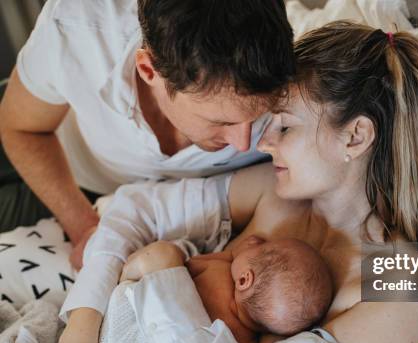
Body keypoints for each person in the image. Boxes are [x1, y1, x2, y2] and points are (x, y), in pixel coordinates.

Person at [48, 21, 418, 343]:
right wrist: (80, 331)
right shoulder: (280, 195)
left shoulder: (392, 276)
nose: (260, 142)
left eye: (284, 127)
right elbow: (136, 206)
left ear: (354, 138)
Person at [0, 0, 295, 267]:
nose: (243, 144)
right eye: (221, 122)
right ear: (149, 70)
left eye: (256, 119)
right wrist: (83, 226)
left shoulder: (302, 80)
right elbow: (22, 128)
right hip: (72, 174)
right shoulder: (74, 29)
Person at [120, 236, 333, 343]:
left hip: (144, 322)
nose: (257, 242)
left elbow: (185, 266)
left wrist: (236, 252)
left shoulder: (218, 270)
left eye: (262, 248)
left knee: (163, 254)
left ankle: (123, 281)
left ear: (244, 279)